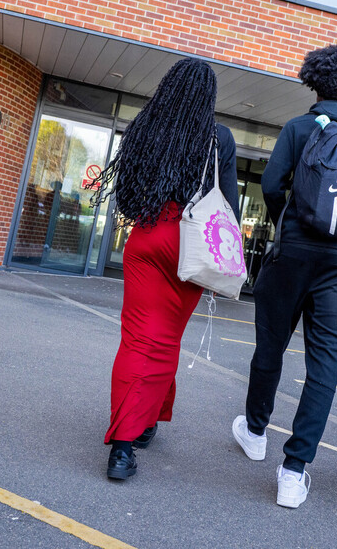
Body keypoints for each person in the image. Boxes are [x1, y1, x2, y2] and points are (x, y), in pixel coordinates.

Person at [232, 44, 337, 509]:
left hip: (291, 257)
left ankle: (256, 431)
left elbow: (269, 184)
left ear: (314, 82)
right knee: (324, 371)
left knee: (270, 348)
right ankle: (293, 471)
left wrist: (291, 221)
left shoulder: (300, 127)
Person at [94, 57, 239, 482]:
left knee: (139, 340)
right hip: (189, 247)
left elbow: (128, 190)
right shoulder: (219, 139)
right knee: (165, 340)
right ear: (208, 96)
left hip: (146, 237)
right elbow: (225, 203)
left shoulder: (143, 127)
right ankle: (131, 435)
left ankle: (136, 430)